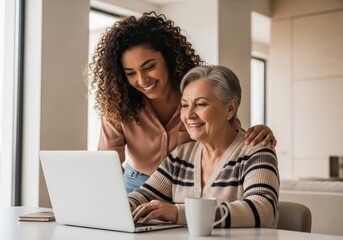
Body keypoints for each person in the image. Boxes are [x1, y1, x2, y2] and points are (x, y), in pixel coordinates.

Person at [89, 11, 277, 193]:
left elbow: (228, 137)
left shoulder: (197, 95)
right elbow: (107, 164)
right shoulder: (118, 106)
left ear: (169, 59)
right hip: (136, 183)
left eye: (150, 67)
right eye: (130, 73)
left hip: (187, 186)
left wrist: (258, 135)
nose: (143, 80)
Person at [128, 65, 279, 228]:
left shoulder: (257, 151)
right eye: (185, 105)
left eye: (200, 104)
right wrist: (125, 207)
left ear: (230, 108)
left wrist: (179, 213)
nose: (189, 115)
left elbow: (263, 210)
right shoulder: (181, 155)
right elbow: (142, 196)